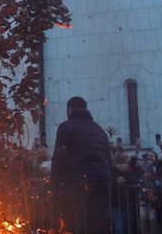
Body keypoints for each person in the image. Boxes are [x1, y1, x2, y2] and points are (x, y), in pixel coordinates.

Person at [50, 96, 113, 234]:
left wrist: (53, 184)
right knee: (99, 225)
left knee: (76, 224)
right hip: (102, 184)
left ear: (70, 109)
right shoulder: (100, 131)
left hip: (79, 185)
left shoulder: (65, 127)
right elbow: (109, 160)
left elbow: (59, 158)